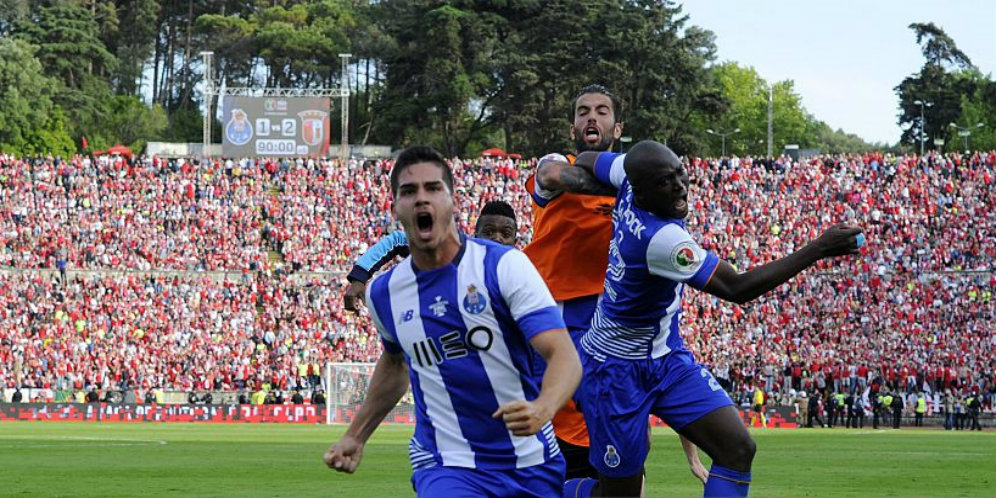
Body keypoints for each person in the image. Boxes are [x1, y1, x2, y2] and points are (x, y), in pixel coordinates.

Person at [560, 141, 863, 498]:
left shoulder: (628, 175)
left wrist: (577, 174)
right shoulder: (662, 240)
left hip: (666, 358)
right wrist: (819, 248)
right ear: (640, 189)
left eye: (679, 173)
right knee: (619, 495)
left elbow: (588, 160)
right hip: (615, 371)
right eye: (665, 181)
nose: (679, 186)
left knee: (737, 449)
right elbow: (738, 288)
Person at [323, 146, 582, 498]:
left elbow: (564, 355)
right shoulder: (384, 292)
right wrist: (356, 434)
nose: (421, 199)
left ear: (454, 202)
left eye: (433, 188)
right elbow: (396, 360)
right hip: (445, 462)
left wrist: (544, 406)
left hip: (529, 460)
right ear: (395, 207)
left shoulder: (505, 266)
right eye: (408, 191)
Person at [529, 84, 705, 485]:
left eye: (602, 111)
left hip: (614, 320)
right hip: (557, 317)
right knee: (559, 444)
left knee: (628, 447)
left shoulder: (647, 197)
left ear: (618, 125)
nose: (592, 117)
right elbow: (559, 176)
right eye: (583, 111)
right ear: (573, 126)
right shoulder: (558, 162)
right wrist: (630, 183)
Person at [343, 200, 519, 312]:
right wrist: (359, 278)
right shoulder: (458, 254)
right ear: (475, 234)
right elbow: (397, 241)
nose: (497, 238)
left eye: (506, 233)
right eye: (488, 232)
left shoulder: (523, 276)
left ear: (515, 240)